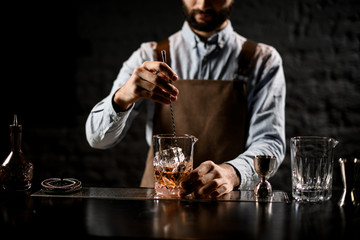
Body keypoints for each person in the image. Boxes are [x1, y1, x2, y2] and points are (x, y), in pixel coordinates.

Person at [85, 0, 286, 198]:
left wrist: (232, 173)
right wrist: (122, 97)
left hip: (228, 203)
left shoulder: (263, 60)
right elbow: (97, 139)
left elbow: (269, 142)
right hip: (162, 201)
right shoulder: (147, 56)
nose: (203, 3)